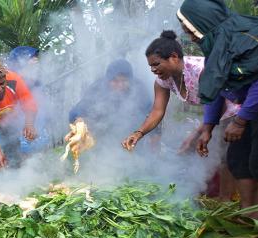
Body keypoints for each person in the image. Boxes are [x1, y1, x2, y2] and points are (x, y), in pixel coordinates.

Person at [120, 30, 239, 199]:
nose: (153, 70)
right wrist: (138, 133)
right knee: (213, 153)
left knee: (229, 157)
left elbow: (218, 103)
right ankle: (218, 197)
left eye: (156, 64)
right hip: (217, 114)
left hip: (236, 109)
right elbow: (157, 111)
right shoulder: (163, 79)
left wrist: (198, 133)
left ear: (174, 57)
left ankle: (228, 204)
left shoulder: (199, 70)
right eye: (150, 66)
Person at [178, 0, 258, 216]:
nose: (192, 37)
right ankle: (250, 215)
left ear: (205, 22)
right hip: (252, 110)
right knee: (238, 159)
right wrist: (208, 127)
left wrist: (240, 121)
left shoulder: (246, 37)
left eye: (192, 30)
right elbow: (217, 86)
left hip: (251, 109)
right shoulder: (219, 45)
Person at [69, 59, 154, 138]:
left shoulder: (139, 89)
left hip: (131, 135)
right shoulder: (97, 88)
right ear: (108, 80)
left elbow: (152, 113)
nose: (120, 85)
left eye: (124, 81)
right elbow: (75, 112)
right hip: (103, 135)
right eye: (115, 81)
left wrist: (155, 135)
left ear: (130, 81)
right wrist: (78, 119)